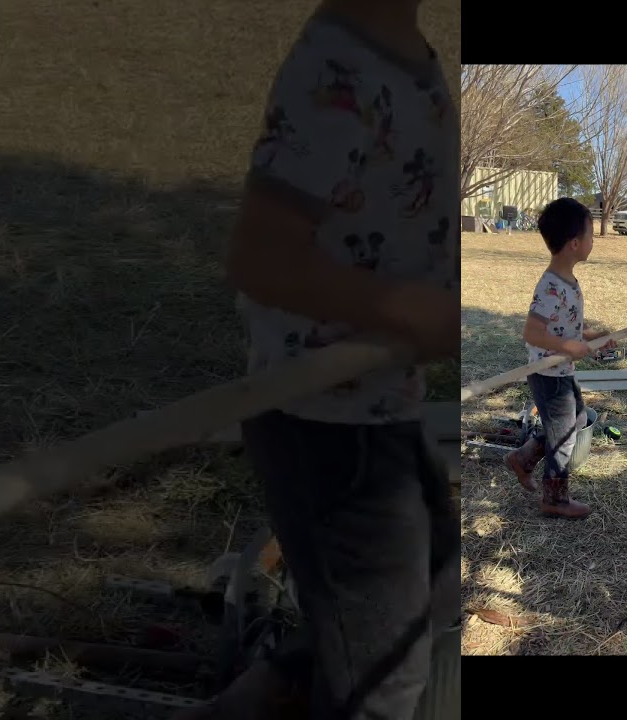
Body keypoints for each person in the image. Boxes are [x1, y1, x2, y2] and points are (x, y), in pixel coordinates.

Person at [174, 1, 460, 717]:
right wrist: (406, 309)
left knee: (430, 585)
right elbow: (260, 257)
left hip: (380, 403)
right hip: (322, 420)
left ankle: (270, 693)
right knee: (383, 682)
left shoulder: (406, 52)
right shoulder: (336, 68)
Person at [504, 197, 615, 519]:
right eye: (591, 236)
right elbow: (533, 332)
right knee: (564, 435)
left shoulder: (566, 281)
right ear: (575, 244)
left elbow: (564, 323)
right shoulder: (551, 286)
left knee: (577, 420)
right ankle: (554, 498)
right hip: (548, 373)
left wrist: (589, 336)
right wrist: (569, 347)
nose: (594, 242)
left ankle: (523, 459)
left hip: (560, 370)